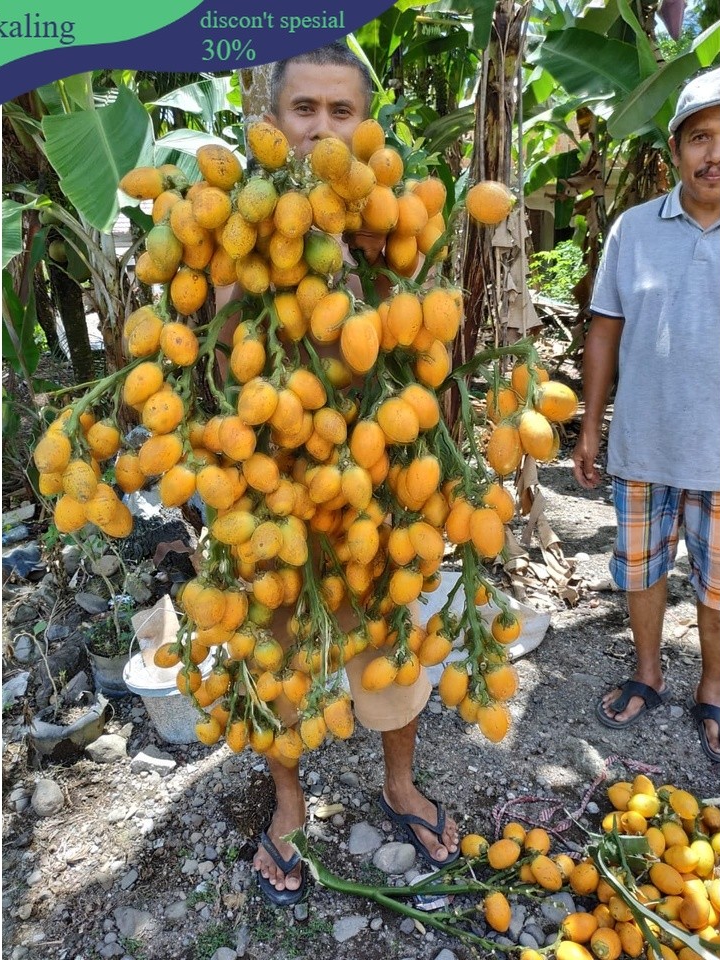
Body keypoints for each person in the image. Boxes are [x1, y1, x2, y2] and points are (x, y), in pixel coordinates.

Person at [214, 42, 460, 905]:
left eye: (341, 112)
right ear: (270, 124)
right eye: (304, 109)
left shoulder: (393, 219)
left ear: (366, 128)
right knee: (269, 651)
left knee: (391, 643)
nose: (321, 127)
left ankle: (400, 785)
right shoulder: (233, 225)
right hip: (267, 493)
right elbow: (215, 369)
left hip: (376, 491)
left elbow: (425, 361)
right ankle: (288, 804)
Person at [571, 67, 720, 765]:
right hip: (644, 440)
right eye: (700, 137)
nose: (715, 154)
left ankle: (715, 687)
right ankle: (648, 673)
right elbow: (605, 329)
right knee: (641, 570)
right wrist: (590, 425)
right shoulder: (633, 230)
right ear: (675, 150)